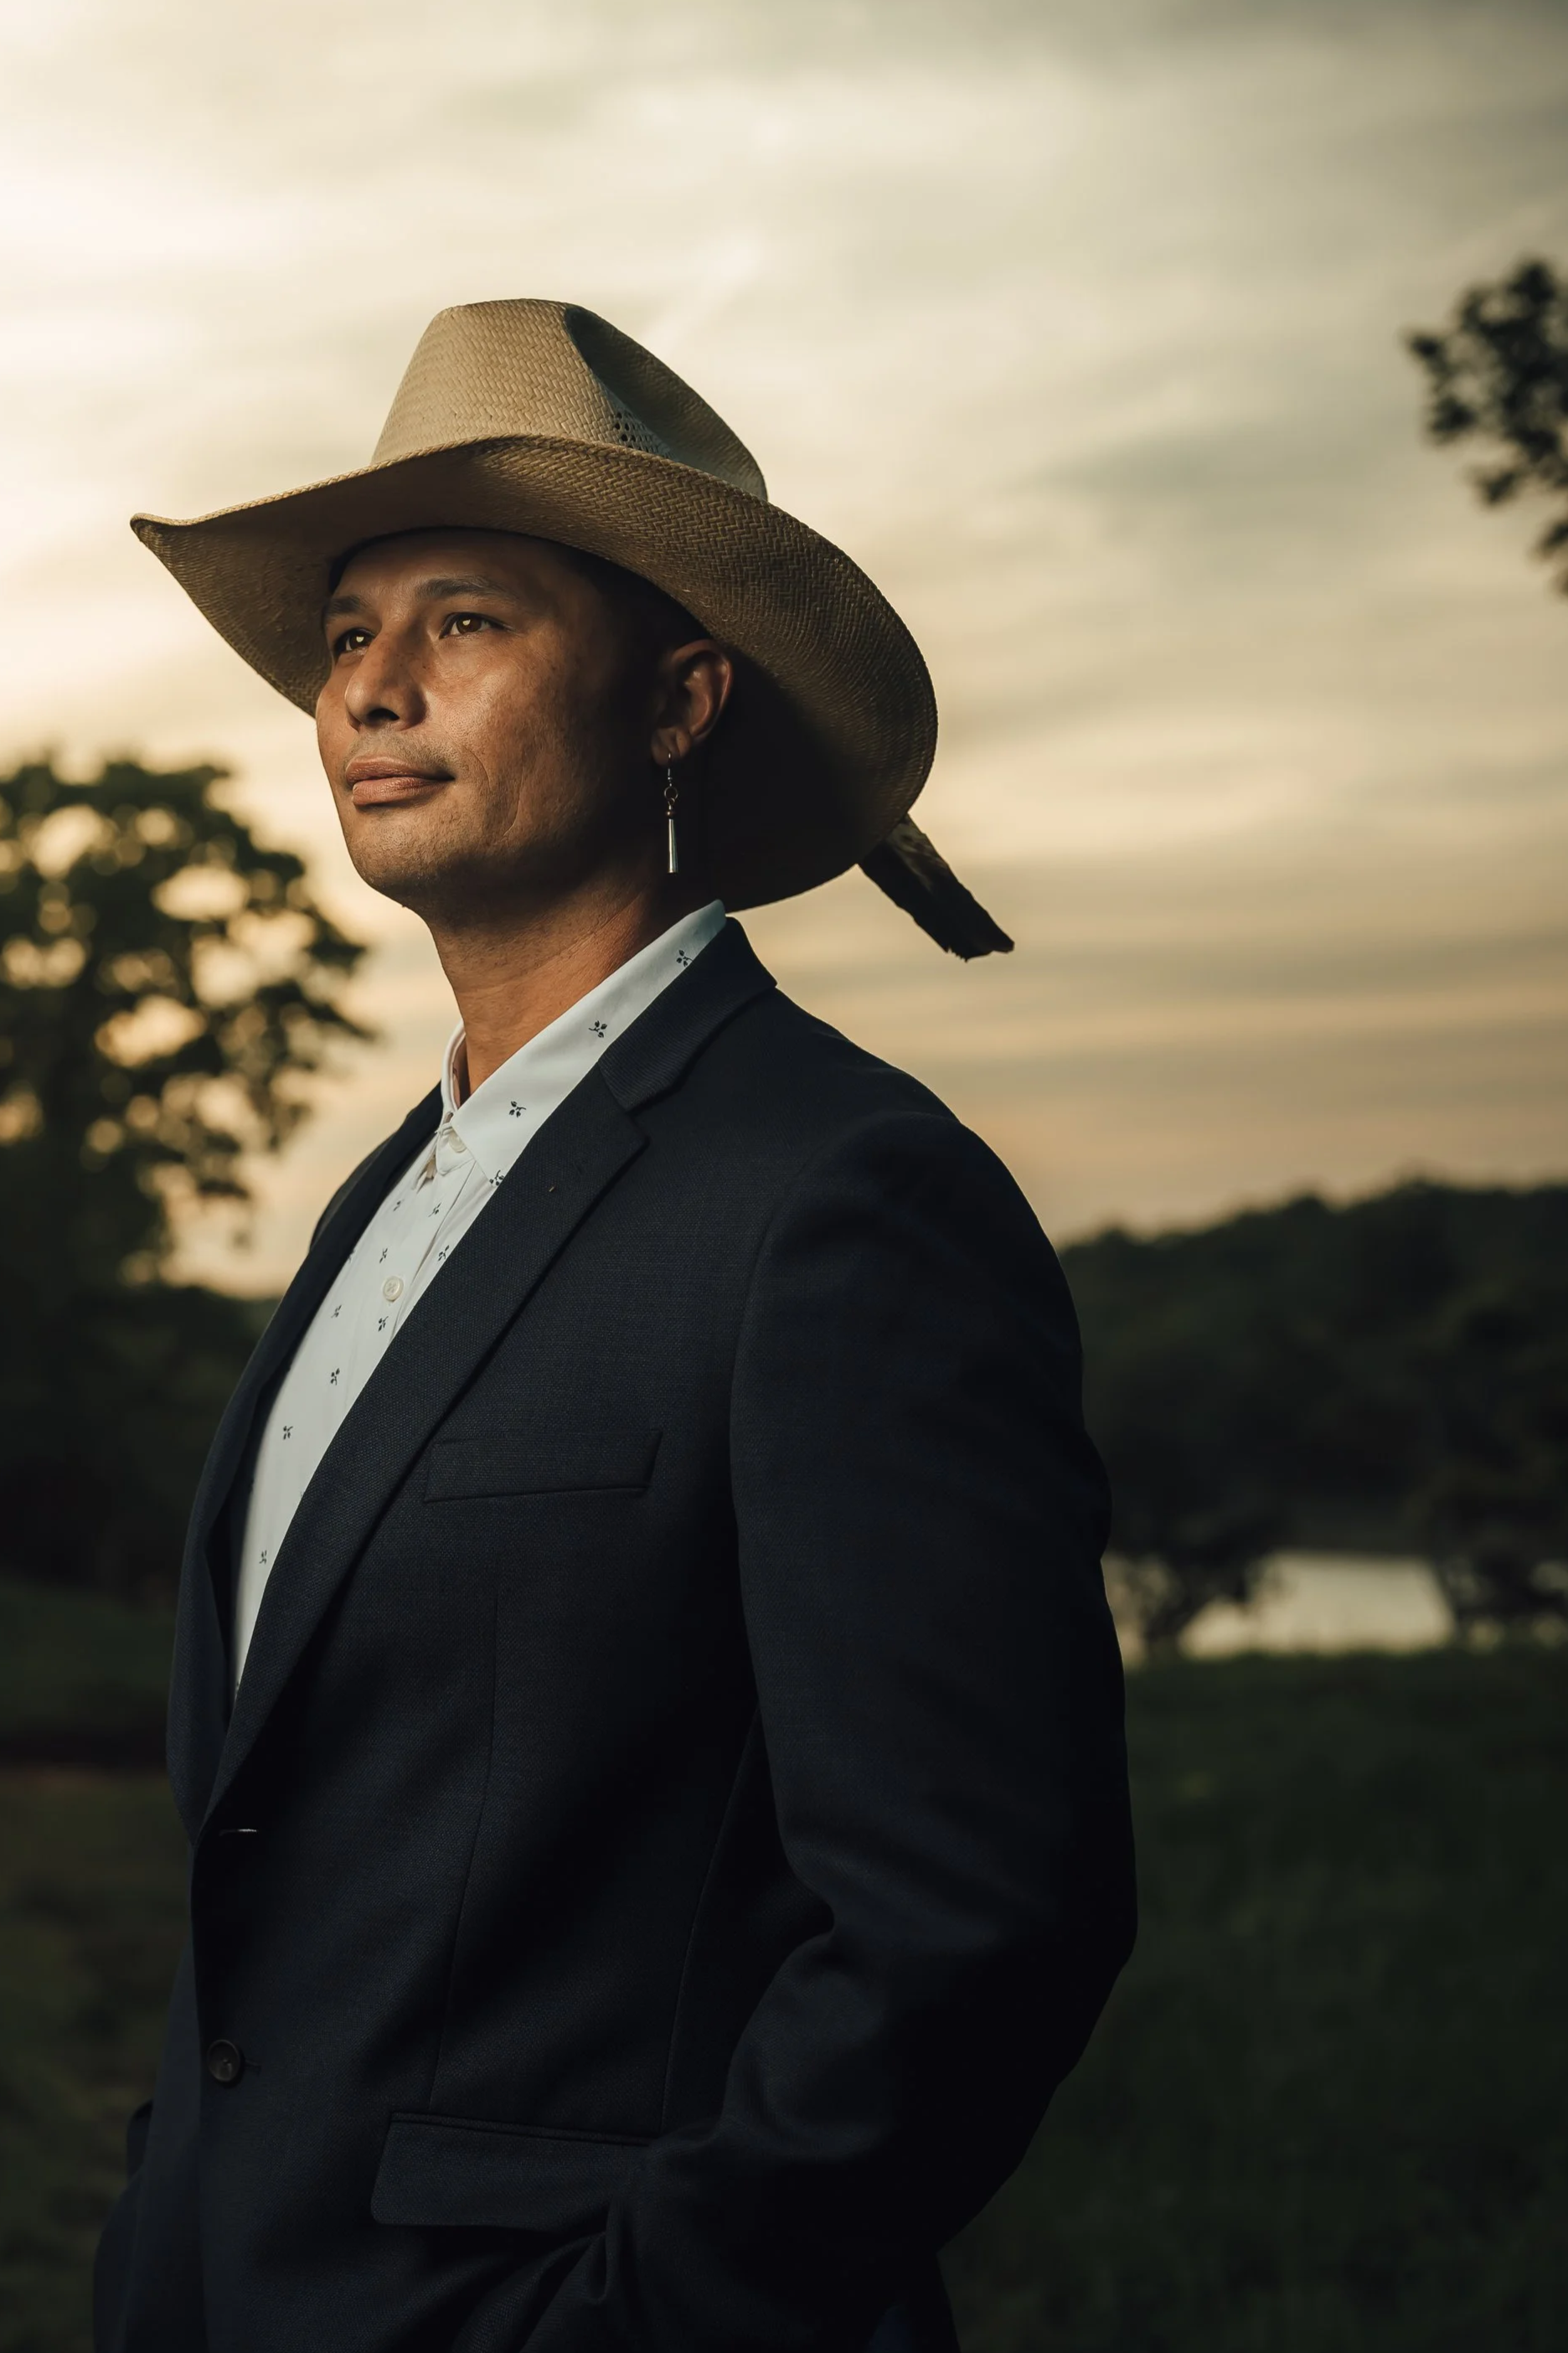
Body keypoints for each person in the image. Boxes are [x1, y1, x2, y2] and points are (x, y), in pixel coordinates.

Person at [95, 300, 1135, 2353]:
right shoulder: (386, 1204)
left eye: (463, 621)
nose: (372, 689)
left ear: (680, 696)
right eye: (343, 636)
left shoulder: (846, 1203)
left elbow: (974, 1934)